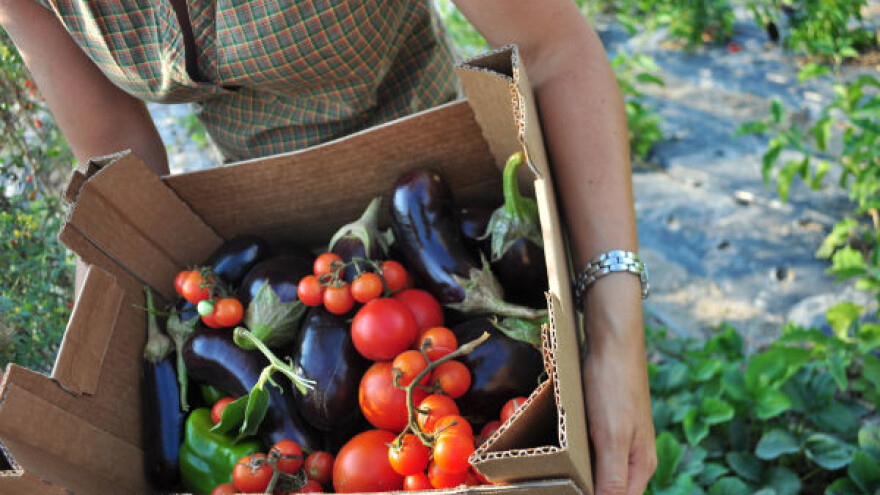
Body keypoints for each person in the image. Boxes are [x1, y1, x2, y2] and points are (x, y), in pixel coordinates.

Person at [0, 1, 656, 493]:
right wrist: (99, 369)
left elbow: (553, 50)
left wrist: (615, 337)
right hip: (282, 259)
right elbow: (114, 158)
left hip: (442, 207)